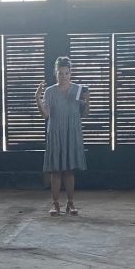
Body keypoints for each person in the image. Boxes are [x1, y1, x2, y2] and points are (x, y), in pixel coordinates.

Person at [36, 57, 89, 216]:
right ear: (56, 73)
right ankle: (55, 204)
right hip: (55, 132)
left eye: (66, 73)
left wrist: (88, 101)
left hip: (71, 132)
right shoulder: (50, 91)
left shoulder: (78, 89)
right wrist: (37, 98)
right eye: (60, 73)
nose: (63, 76)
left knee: (69, 171)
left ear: (70, 73)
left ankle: (71, 203)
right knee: (56, 170)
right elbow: (45, 114)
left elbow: (84, 114)